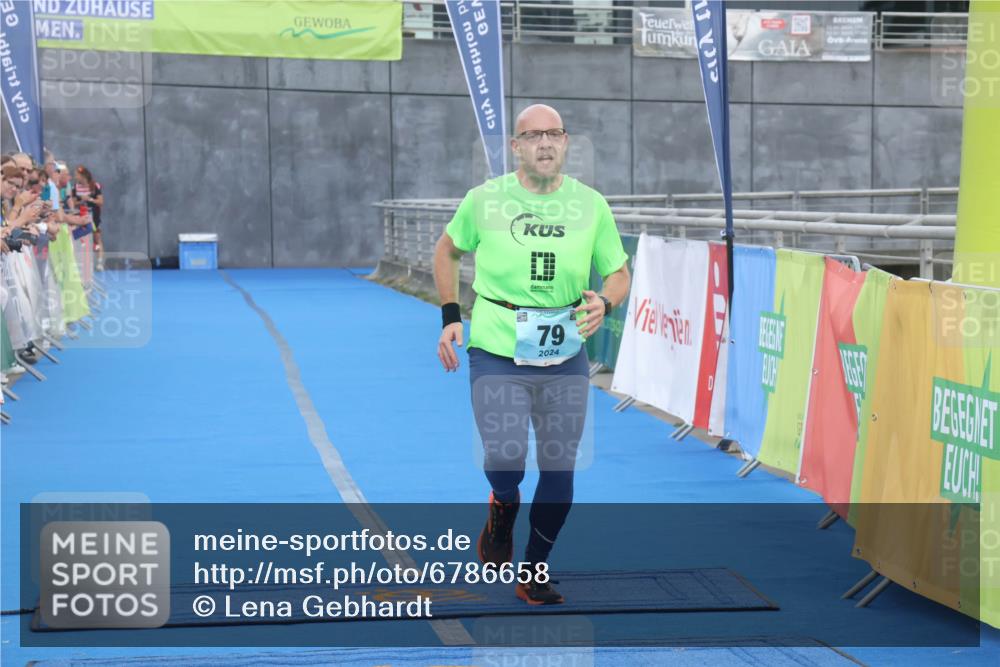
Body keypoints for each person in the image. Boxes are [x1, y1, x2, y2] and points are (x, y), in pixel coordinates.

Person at [433, 104, 631, 605]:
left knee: (560, 470)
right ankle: (502, 503)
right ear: (516, 147)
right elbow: (447, 251)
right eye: (533, 136)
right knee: (506, 460)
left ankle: (535, 568)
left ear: (566, 143)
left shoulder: (591, 205)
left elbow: (618, 272)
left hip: (565, 355)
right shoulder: (485, 200)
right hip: (498, 347)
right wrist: (451, 316)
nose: (545, 143)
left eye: (555, 134)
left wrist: (604, 300)